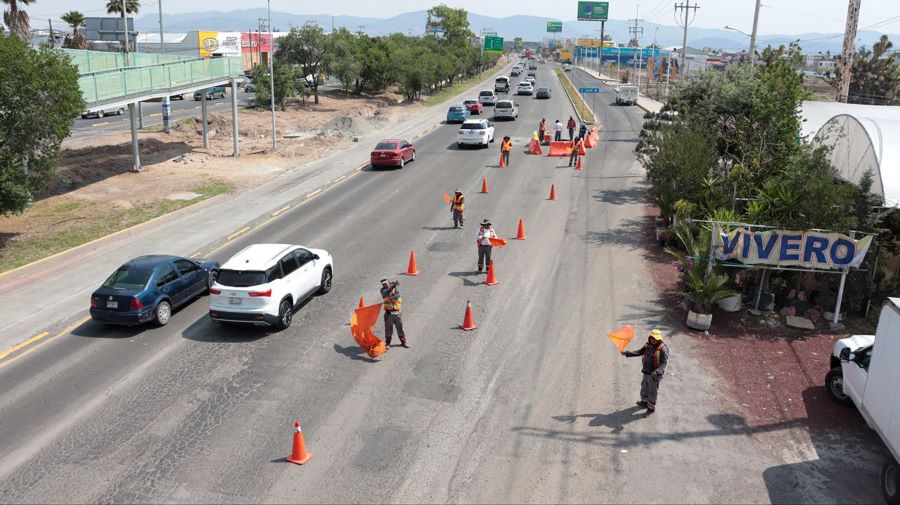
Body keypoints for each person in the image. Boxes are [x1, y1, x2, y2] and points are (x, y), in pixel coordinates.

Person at [621, 329, 669, 414]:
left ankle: (651, 408)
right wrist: (627, 353)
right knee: (644, 387)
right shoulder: (648, 345)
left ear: (658, 339)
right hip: (646, 371)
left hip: (654, 375)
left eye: (654, 339)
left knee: (652, 391)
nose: (652, 340)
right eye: (651, 338)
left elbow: (664, 363)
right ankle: (644, 402)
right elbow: (640, 352)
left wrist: (657, 371)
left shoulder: (663, 348)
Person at [380, 279, 407, 349]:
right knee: (388, 329)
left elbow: (398, 295)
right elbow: (386, 293)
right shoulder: (382, 290)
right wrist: (393, 286)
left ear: (388, 282)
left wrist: (391, 298)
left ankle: (403, 342)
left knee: (400, 329)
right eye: (383, 284)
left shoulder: (394, 288)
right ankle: (388, 344)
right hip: (389, 314)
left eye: (385, 283)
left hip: (397, 313)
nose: (384, 285)